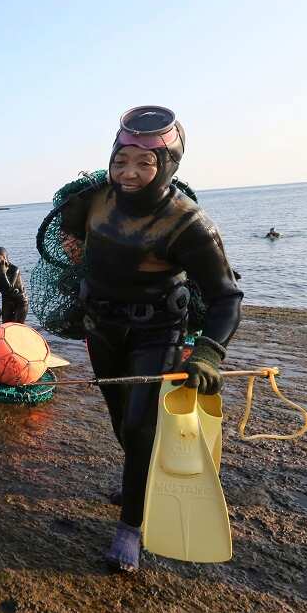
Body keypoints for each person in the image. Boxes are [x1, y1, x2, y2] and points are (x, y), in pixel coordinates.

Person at [56, 106, 243, 572]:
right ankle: (139, 478)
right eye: (121, 160)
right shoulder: (94, 199)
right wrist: (73, 246)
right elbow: (70, 233)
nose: (129, 173)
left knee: (141, 427)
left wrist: (208, 353)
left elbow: (226, 297)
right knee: (124, 423)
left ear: (169, 165)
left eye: (145, 163)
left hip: (155, 332)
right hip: (100, 329)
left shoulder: (188, 224)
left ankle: (131, 527)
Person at [0, 247, 28, 323]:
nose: (0, 261)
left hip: (20, 301)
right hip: (7, 300)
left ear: (6, 257)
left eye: (2, 258)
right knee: (6, 324)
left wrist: (3, 273)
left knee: (17, 325)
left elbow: (10, 288)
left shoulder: (15, 269)